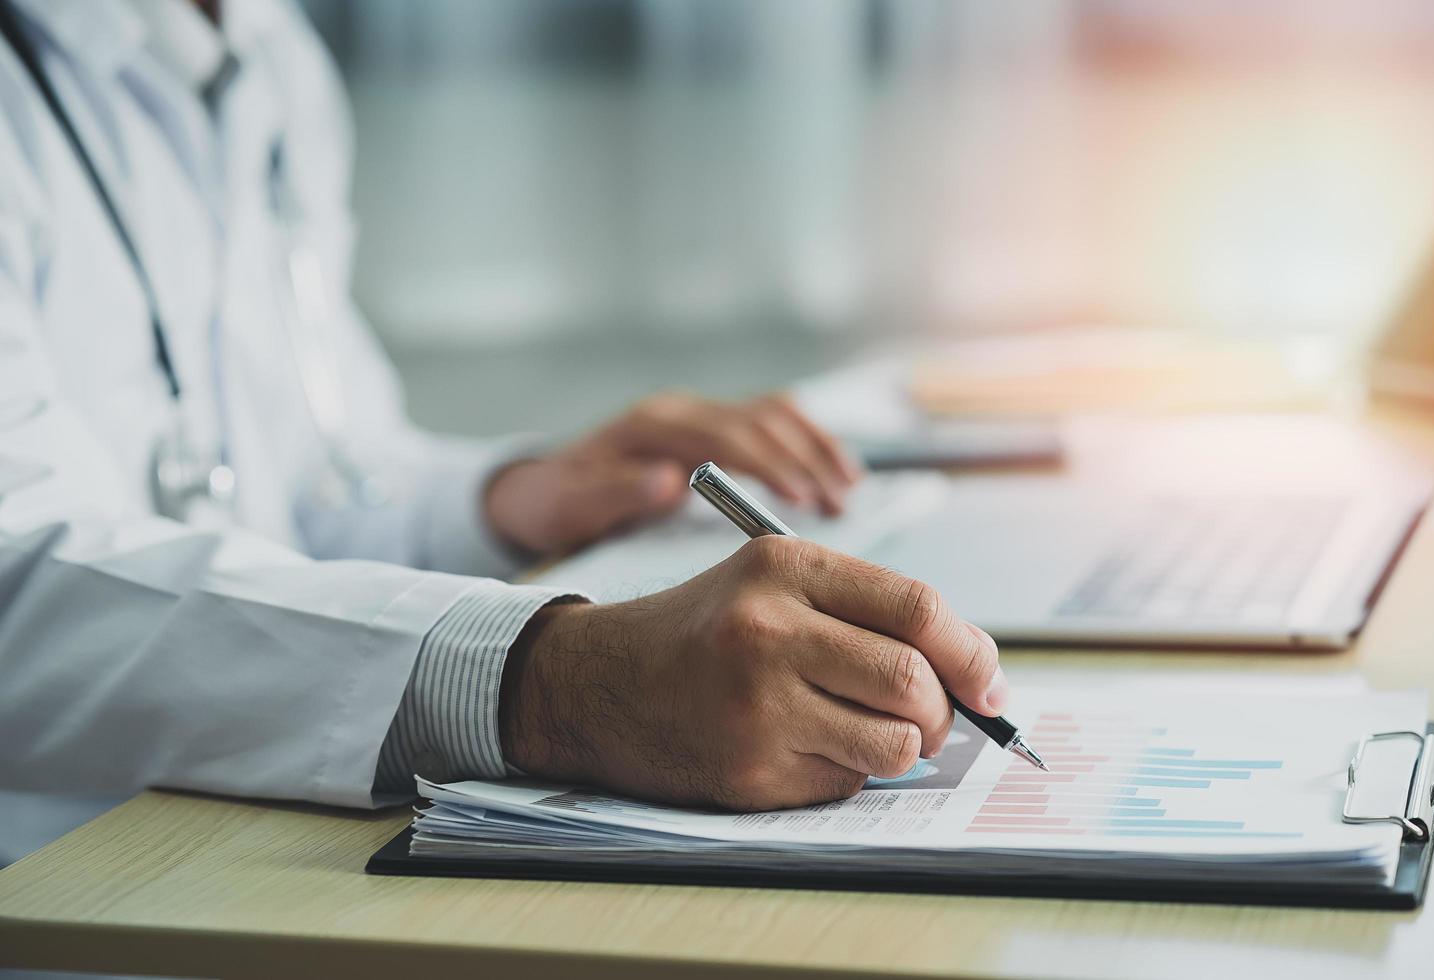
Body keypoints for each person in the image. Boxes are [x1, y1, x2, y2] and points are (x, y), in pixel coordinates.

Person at [0, 0, 1007, 867]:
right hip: (65, 879)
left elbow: (312, 483)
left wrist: (512, 495)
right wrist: (547, 680)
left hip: (221, 837)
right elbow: (23, 589)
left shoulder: (267, 57)